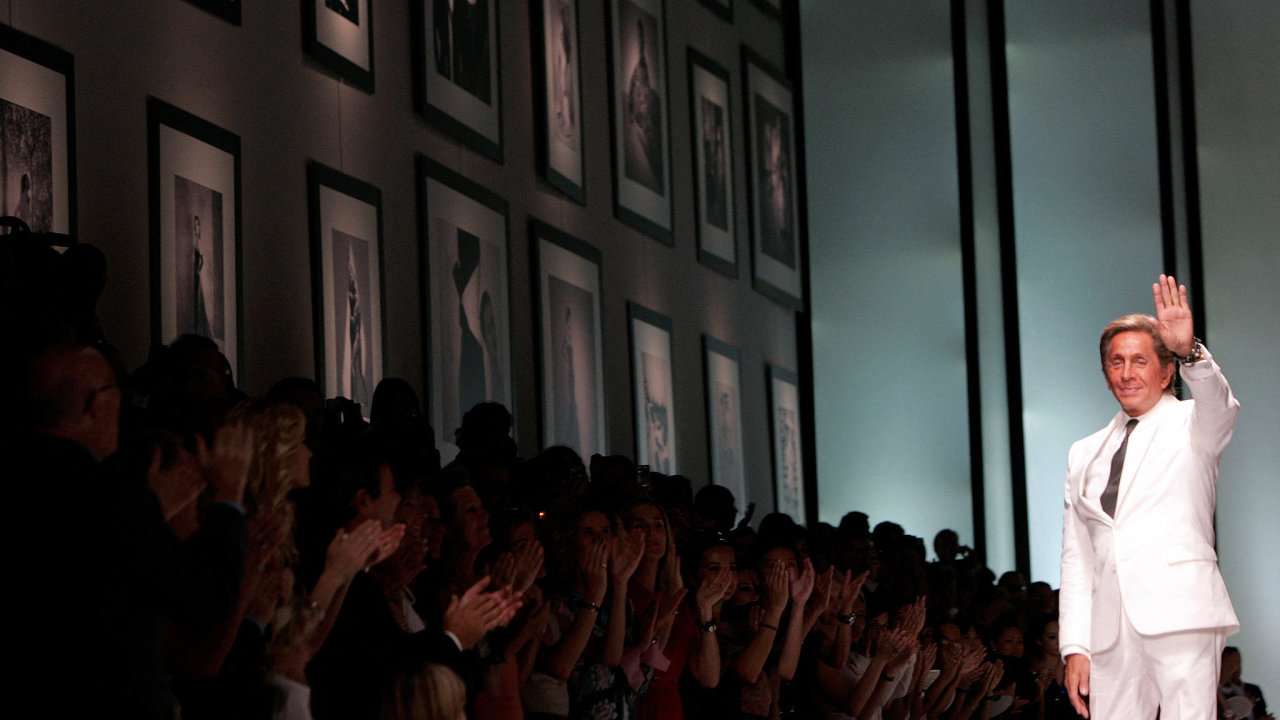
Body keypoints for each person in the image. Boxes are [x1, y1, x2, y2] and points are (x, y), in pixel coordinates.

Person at [1059, 275, 1240, 719]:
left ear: (1165, 373)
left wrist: (1191, 351)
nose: (1126, 373)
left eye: (1139, 361)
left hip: (1182, 610)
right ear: (1105, 375)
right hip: (1110, 628)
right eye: (1116, 362)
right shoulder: (1084, 451)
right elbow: (1077, 556)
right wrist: (1075, 646)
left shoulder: (1195, 423)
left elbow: (1221, 403)